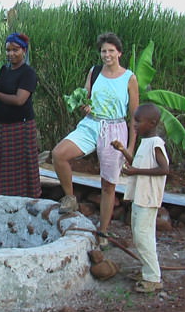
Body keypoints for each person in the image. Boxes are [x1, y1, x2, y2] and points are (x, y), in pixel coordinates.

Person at [52, 32, 139, 241]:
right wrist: (84, 106)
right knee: (59, 154)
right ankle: (70, 198)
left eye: (111, 51)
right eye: (103, 51)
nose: (107, 55)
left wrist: (130, 149)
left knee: (108, 184)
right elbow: (85, 96)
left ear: (119, 53)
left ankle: (103, 231)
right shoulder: (95, 71)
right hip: (91, 125)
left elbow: (135, 116)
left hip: (115, 129)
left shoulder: (129, 78)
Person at [111, 103, 169, 293]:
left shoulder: (156, 144)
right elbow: (136, 163)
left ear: (152, 123)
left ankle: (153, 278)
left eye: (138, 121)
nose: (134, 124)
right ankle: (147, 271)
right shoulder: (145, 142)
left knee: (143, 237)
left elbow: (164, 169)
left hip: (148, 198)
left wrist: (136, 171)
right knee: (139, 235)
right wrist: (122, 150)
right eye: (134, 120)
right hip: (140, 197)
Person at [0, 33, 42, 198]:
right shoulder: (3, 70)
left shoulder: (28, 73)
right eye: (8, 50)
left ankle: (26, 198)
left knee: (20, 165)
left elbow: (19, 100)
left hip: (20, 126)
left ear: (24, 51)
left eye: (15, 50)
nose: (11, 54)